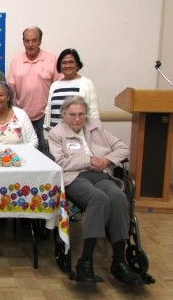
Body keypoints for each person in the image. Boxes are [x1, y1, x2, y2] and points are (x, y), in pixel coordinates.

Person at [48, 96, 143, 286]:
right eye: (72, 115)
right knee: (98, 199)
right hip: (75, 177)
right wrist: (90, 160)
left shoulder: (96, 127)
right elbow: (60, 162)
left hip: (101, 175)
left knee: (117, 196)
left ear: (86, 114)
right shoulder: (56, 133)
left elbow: (123, 148)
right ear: (64, 115)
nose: (77, 119)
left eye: (81, 114)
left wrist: (106, 160)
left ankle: (119, 261)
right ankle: (86, 261)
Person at [8, 27, 58, 152]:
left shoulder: (51, 59)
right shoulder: (16, 61)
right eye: (27, 41)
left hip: (44, 116)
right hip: (21, 115)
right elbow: (11, 89)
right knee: (22, 150)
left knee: (45, 149)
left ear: (40, 41)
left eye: (34, 40)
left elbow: (58, 87)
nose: (30, 44)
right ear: (23, 41)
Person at [44, 48, 99, 129]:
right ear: (60, 65)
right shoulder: (54, 85)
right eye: (64, 63)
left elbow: (94, 114)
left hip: (79, 136)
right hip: (55, 136)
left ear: (77, 64)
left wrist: (94, 134)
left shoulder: (87, 83)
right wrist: (46, 131)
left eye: (71, 62)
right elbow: (48, 111)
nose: (67, 65)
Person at [0, 81, 38, 147]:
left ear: (8, 97)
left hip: (19, 156)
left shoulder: (21, 114)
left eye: (0, 95)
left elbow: (33, 140)